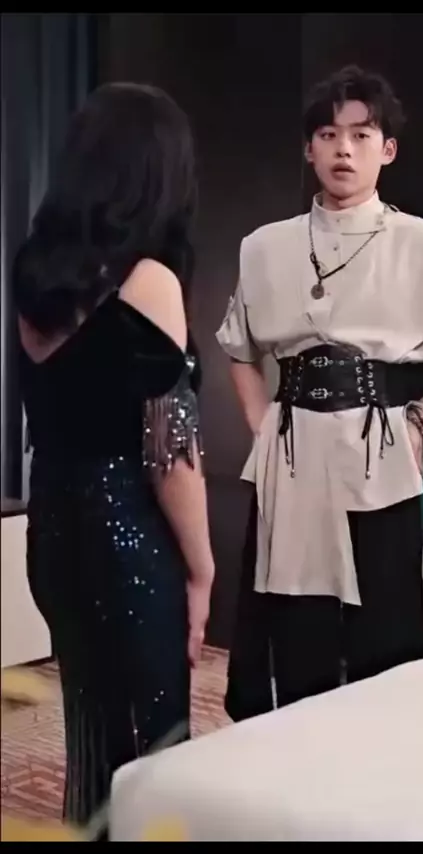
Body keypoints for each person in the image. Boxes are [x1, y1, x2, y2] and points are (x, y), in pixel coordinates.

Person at [217, 65, 423, 722]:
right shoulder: (265, 247)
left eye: (361, 135)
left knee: (381, 627)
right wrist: (260, 425)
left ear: (387, 149)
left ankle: (374, 756)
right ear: (308, 148)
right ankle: (283, 749)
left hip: (377, 448)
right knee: (291, 621)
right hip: (292, 451)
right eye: (329, 134)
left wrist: (421, 415)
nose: (344, 149)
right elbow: (239, 348)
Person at [13, 83, 215, 830]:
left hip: (53, 526)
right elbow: (170, 450)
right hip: (126, 532)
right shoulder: (148, 280)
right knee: (155, 742)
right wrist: (202, 566)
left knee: (93, 729)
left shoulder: (36, 274)